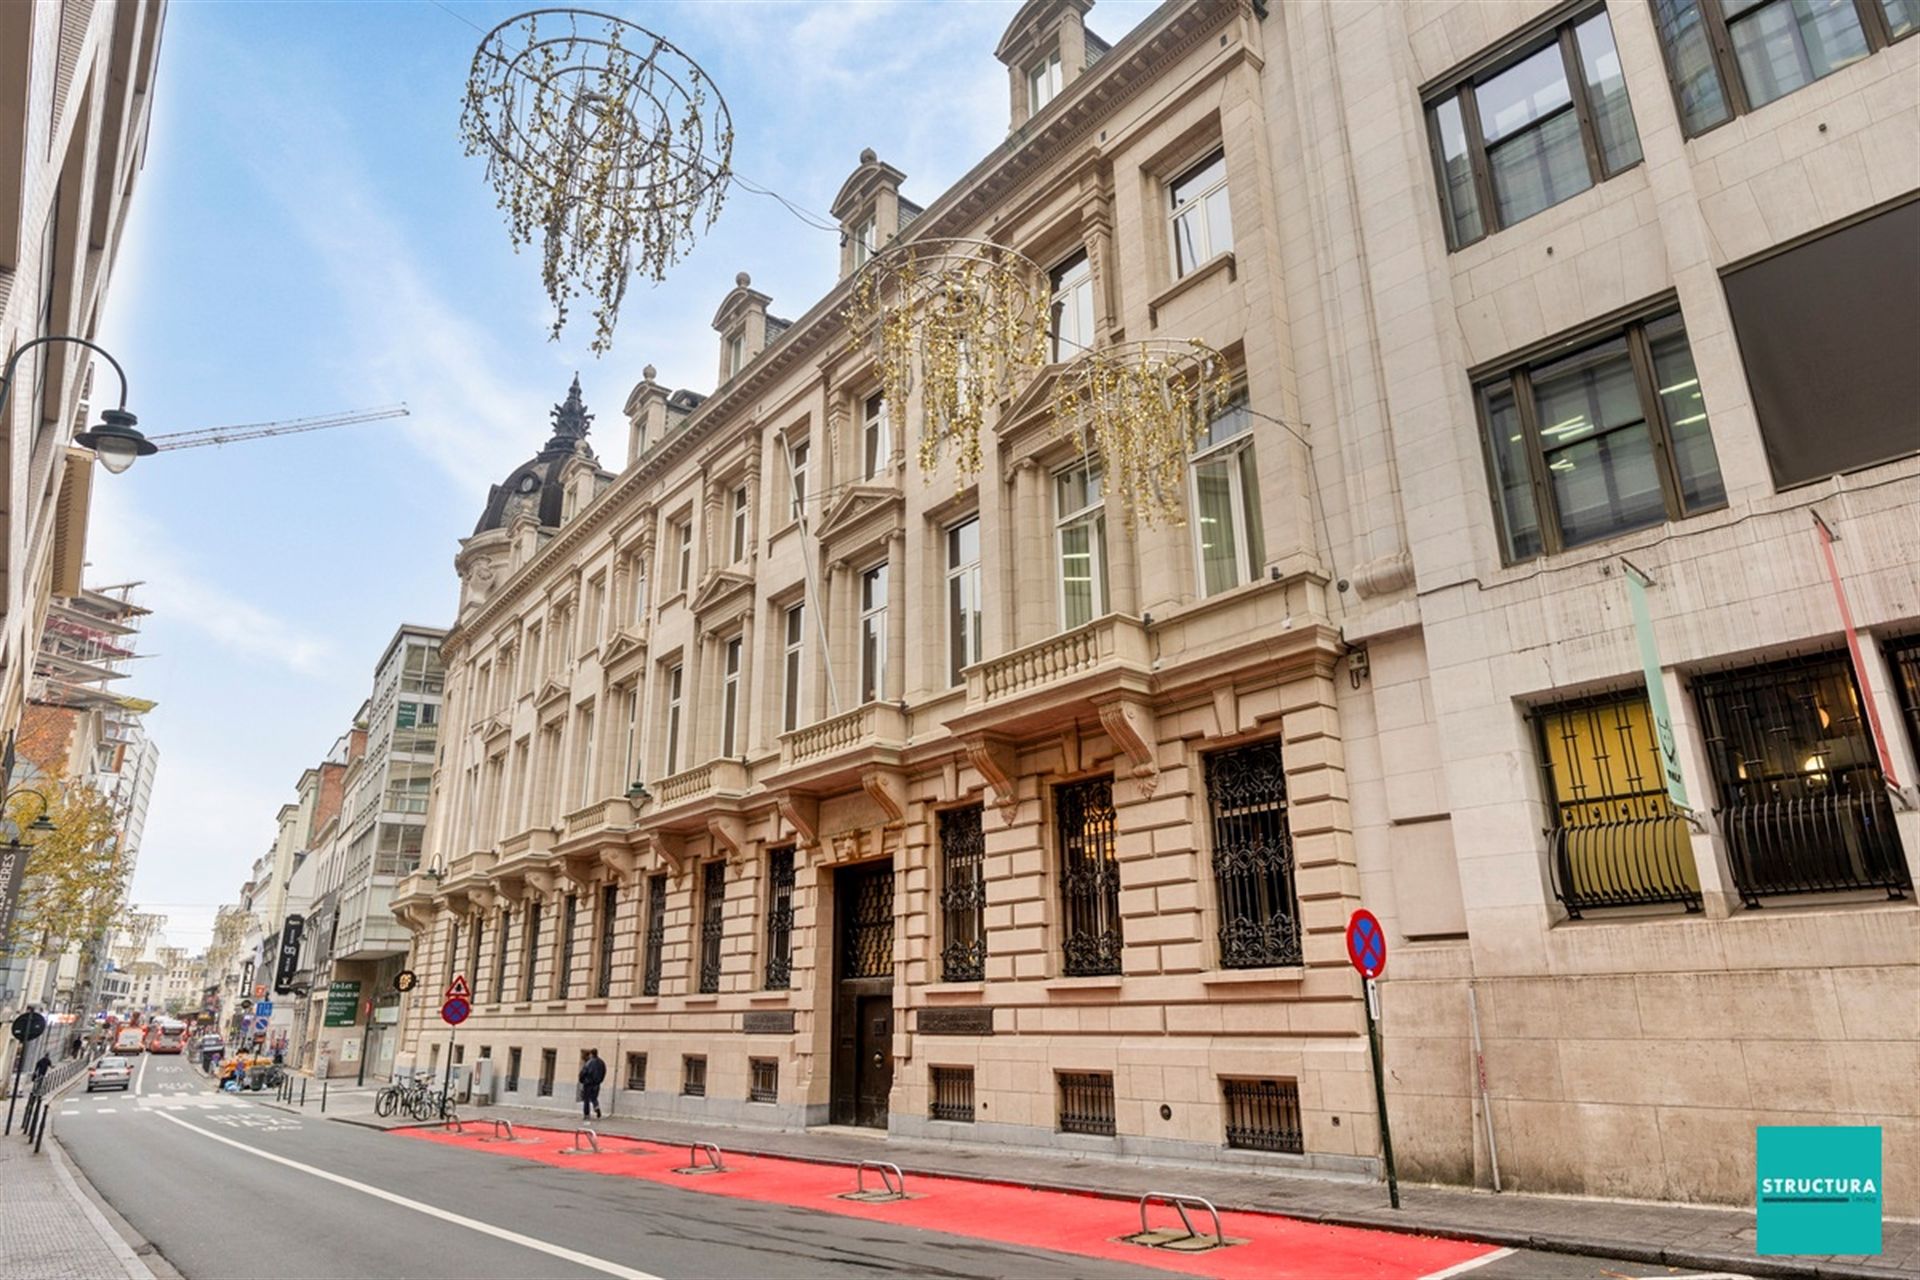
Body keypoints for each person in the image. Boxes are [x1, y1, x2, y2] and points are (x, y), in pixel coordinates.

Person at [577, 1048, 605, 1120]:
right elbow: (604, 1072)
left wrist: (581, 1080)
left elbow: (584, 1072)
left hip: (588, 1083)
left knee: (586, 1099)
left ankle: (586, 1114)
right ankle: (597, 1108)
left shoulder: (589, 1063)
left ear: (591, 1054)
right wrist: (600, 1081)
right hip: (597, 1084)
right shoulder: (601, 1063)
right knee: (594, 1098)